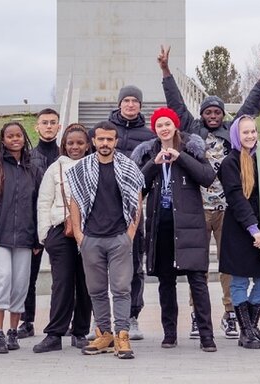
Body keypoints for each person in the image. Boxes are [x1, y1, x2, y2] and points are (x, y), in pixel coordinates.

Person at [157, 44, 260, 339]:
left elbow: (249, 108)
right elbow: (177, 104)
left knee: (228, 267)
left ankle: (230, 314)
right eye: (207, 111)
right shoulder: (192, 129)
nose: (212, 115)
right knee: (196, 266)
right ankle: (198, 315)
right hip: (197, 208)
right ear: (202, 114)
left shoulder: (233, 132)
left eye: (216, 112)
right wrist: (166, 71)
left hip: (228, 210)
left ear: (222, 115)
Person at [131, 107, 219, 351]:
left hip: (189, 226)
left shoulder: (191, 147)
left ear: (175, 126)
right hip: (161, 226)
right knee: (165, 283)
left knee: (197, 282)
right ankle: (169, 333)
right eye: (159, 125)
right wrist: (153, 164)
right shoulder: (149, 152)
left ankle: (206, 336)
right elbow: (137, 186)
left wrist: (181, 158)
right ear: (155, 129)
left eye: (168, 124)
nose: (164, 128)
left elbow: (207, 177)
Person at [66, 121, 145, 360]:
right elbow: (76, 201)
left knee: (121, 289)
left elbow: (136, 200)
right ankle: (104, 334)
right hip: (91, 238)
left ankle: (122, 335)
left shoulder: (128, 167)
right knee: (96, 290)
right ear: (94, 141)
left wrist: (130, 232)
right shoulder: (82, 168)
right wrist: (79, 235)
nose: (105, 144)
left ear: (116, 141)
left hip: (119, 237)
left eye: (109, 139)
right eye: (100, 139)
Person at [0, 121, 40, 354]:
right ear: (3, 140)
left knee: (20, 284)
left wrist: (37, 239)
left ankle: (13, 332)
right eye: (10, 136)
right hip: (0, 238)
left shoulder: (33, 169)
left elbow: (37, 206)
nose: (15, 139)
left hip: (25, 238)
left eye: (18, 135)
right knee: (3, 280)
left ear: (24, 138)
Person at [219, 115, 260, 350]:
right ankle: (246, 331)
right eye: (245, 132)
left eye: (253, 131)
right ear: (236, 134)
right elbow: (236, 198)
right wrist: (253, 229)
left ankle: (252, 326)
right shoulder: (230, 163)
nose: (251, 136)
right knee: (240, 280)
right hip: (241, 228)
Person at [33, 123, 93, 353]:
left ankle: (80, 331)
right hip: (61, 230)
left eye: (80, 143)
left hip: (89, 231)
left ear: (88, 145)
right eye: (70, 143)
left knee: (86, 282)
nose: (75, 147)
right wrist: (45, 235)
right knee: (62, 284)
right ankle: (55, 334)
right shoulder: (55, 169)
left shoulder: (95, 165)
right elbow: (43, 202)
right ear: (63, 145)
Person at [105, 84, 155, 339]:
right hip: (104, 208)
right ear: (119, 103)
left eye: (135, 100)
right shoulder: (104, 130)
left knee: (135, 264)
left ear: (140, 105)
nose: (131, 104)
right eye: (127, 100)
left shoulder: (148, 135)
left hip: (134, 208)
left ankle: (132, 316)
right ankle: (102, 320)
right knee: (101, 264)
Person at [20, 108, 63, 340]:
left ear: (59, 127)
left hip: (61, 224)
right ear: (36, 127)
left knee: (62, 277)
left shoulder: (65, 156)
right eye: (44, 123)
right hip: (34, 224)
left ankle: (61, 321)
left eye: (53, 123)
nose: (48, 126)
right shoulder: (28, 157)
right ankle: (27, 321)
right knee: (30, 277)